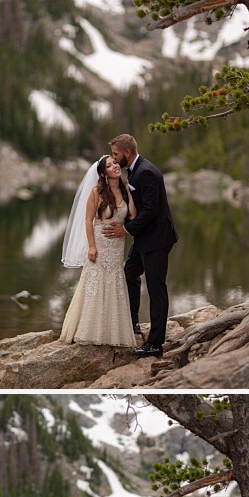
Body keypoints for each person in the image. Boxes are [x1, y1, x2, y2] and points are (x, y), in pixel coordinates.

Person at [104, 134, 178, 358]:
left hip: (156, 240)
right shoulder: (135, 170)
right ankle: (134, 322)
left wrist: (125, 230)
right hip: (144, 238)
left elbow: (150, 211)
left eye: (116, 155)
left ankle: (155, 343)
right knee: (129, 273)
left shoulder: (146, 172)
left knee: (156, 290)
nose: (115, 160)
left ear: (127, 153)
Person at [59, 156, 137, 348]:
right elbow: (87, 220)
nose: (115, 166)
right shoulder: (96, 192)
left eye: (115, 163)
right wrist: (92, 246)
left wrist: (128, 191)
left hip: (117, 245)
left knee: (115, 283)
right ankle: (87, 330)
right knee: (94, 282)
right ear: (103, 173)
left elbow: (132, 215)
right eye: (109, 165)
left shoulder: (125, 190)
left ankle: (113, 333)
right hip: (100, 244)